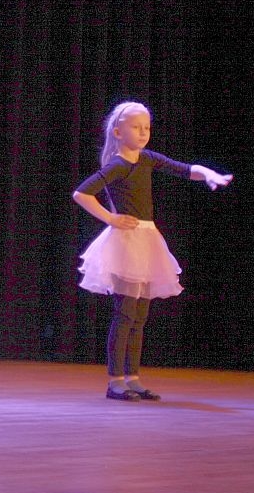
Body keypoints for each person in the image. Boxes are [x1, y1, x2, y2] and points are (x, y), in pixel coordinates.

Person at [72, 101, 232, 402]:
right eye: (136, 127)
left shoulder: (147, 158)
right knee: (125, 314)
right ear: (118, 132)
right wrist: (111, 218)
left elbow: (185, 170)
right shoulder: (118, 165)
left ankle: (133, 377)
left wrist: (209, 174)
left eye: (147, 127)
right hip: (126, 243)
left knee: (139, 316)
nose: (143, 132)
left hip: (147, 240)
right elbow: (81, 193)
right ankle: (115, 381)